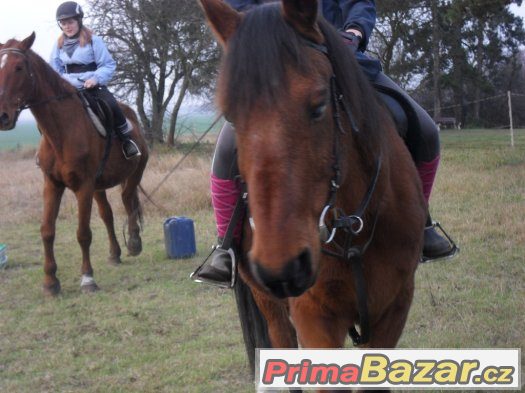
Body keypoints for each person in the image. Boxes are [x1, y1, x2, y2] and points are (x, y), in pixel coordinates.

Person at [194, 0, 456, 286]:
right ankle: (226, 245)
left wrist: (355, 31)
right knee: (226, 152)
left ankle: (421, 224)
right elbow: (239, 8)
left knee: (426, 131)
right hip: (274, 71)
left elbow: (358, 3)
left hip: (345, 60)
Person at [49, 1, 141, 160]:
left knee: (111, 104)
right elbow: (54, 68)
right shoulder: (58, 45)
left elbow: (108, 64)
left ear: (79, 20)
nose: (67, 26)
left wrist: (96, 79)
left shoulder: (94, 41)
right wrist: (61, 83)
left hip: (91, 85)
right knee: (49, 110)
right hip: (67, 88)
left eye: (70, 22)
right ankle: (48, 149)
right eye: (63, 23)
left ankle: (126, 141)